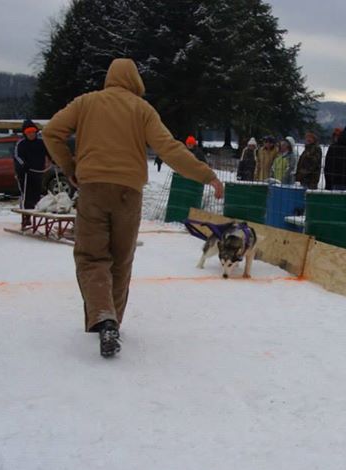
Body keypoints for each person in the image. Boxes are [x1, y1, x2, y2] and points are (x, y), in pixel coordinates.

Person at [42, 58, 223, 357]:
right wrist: (207, 175)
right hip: (129, 193)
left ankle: (104, 316)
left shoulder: (86, 103)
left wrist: (69, 165)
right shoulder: (143, 110)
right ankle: (113, 320)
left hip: (93, 190)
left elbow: (51, 132)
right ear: (135, 80)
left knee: (91, 257)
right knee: (121, 258)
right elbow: (170, 149)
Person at [14, 119, 50, 227]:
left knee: (36, 195)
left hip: (38, 172)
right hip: (25, 173)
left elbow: (49, 152)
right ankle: (25, 217)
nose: (31, 134)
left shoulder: (41, 143)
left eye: (33, 131)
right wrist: (23, 165)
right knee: (26, 195)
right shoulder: (21, 144)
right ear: (25, 133)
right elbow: (17, 156)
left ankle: (34, 216)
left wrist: (52, 159)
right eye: (28, 132)